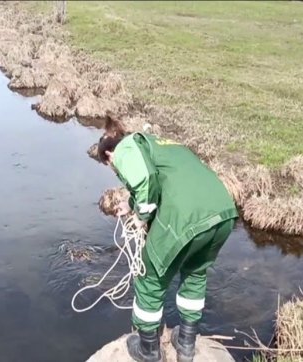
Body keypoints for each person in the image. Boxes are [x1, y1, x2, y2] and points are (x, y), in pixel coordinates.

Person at [97, 119, 238, 362]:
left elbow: (146, 178)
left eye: (110, 165)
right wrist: (130, 204)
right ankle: (186, 345)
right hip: (222, 213)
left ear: (109, 153)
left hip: (186, 218)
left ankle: (149, 352)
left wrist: (141, 216)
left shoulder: (126, 148)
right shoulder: (160, 143)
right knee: (195, 273)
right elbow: (168, 180)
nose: (114, 169)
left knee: (149, 279)